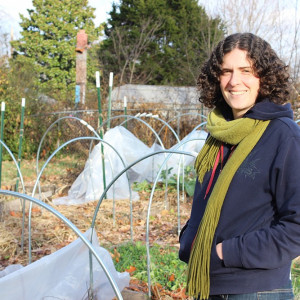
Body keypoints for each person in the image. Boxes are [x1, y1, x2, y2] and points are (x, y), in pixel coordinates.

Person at [179, 32, 300, 300]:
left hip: (256, 289)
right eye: (226, 71)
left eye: (246, 70)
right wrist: (191, 237)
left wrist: (227, 251)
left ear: (264, 77)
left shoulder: (283, 135)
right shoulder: (220, 134)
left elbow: (296, 226)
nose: (235, 81)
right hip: (209, 284)